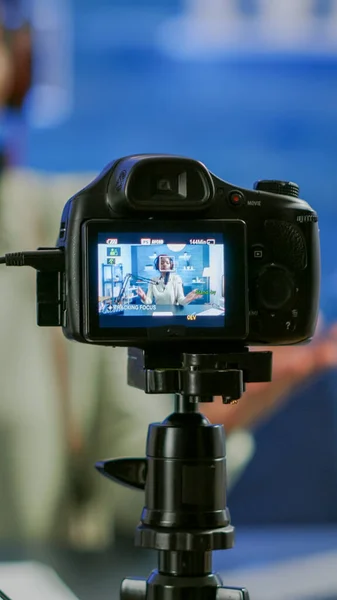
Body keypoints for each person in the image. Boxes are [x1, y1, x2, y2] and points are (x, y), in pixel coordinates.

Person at [137, 253, 202, 305]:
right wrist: (144, 297)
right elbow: (149, 301)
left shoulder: (176, 278)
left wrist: (188, 299)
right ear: (157, 266)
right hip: (158, 314)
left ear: (170, 266)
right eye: (162, 263)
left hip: (173, 314)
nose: (164, 265)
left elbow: (181, 300)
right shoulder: (153, 280)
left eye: (167, 263)